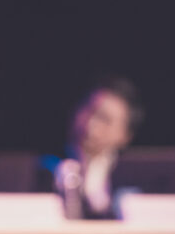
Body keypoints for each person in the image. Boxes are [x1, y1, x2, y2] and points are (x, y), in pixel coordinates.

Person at [43, 76, 144, 219]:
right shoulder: (43, 166)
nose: (90, 125)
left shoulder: (135, 179)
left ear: (125, 135)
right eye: (88, 111)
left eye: (105, 119)